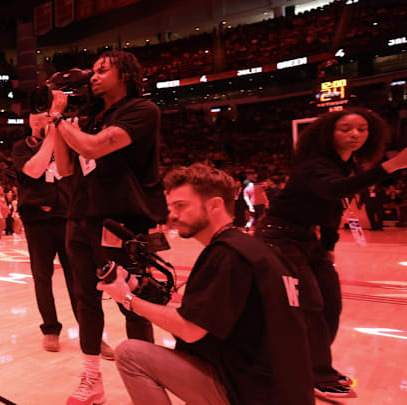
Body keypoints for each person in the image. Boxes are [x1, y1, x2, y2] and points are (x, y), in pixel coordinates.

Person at [99, 163, 315, 405]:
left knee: (131, 354)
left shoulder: (227, 254)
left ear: (215, 205)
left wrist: (128, 299)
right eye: (171, 207)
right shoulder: (255, 250)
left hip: (254, 394)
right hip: (285, 390)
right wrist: (140, 289)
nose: (173, 215)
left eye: (181, 206)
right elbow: (205, 323)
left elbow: (189, 330)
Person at [255, 107, 407, 399]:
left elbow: (332, 209)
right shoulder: (314, 165)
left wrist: (327, 245)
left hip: (308, 240)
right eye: (346, 129)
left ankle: (312, 364)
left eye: (362, 129)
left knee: (331, 305)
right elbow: (332, 191)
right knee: (310, 304)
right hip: (278, 236)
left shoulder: (348, 167)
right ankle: (317, 372)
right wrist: (392, 166)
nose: (355, 134)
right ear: (329, 133)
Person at [51, 50, 167, 405]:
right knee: (87, 302)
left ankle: (148, 385)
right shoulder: (92, 117)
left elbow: (94, 148)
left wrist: (58, 117)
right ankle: (91, 379)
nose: (94, 76)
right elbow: (66, 166)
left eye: (103, 70)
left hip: (123, 222)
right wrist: (58, 117)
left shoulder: (143, 111)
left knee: (133, 303)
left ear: (127, 75)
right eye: (93, 71)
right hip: (82, 216)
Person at [11, 112, 81, 352]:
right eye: (36, 117)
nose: (42, 121)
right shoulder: (21, 147)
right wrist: (51, 135)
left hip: (66, 217)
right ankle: (51, 328)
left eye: (46, 116)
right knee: (42, 276)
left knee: (77, 277)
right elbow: (34, 170)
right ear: (29, 120)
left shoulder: (67, 143)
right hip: (37, 220)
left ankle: (89, 330)